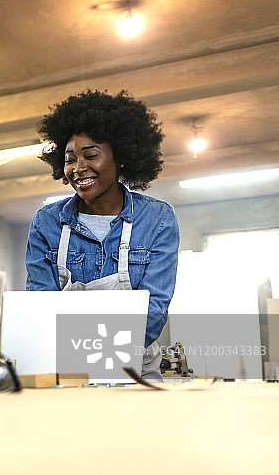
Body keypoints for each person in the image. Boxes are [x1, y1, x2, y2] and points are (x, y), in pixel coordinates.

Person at [25, 89, 180, 380]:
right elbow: (39, 308)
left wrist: (88, 346)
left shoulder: (157, 219)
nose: (78, 168)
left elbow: (153, 311)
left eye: (91, 155)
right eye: (70, 159)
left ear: (121, 157)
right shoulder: (47, 223)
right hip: (69, 376)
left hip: (136, 375)